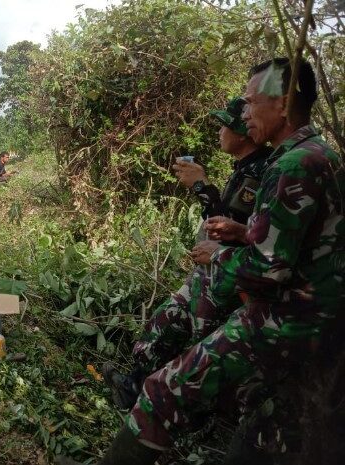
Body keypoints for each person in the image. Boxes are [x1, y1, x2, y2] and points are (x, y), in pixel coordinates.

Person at [58, 58, 345, 465]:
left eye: (249, 103)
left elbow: (269, 269)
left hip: (287, 320)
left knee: (162, 392)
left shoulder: (292, 164)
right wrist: (244, 233)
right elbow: (310, 241)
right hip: (321, 325)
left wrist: (219, 254)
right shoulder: (323, 154)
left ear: (282, 105)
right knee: (269, 432)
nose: (243, 114)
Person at [102, 97, 273, 409]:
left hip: (228, 282)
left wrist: (202, 187)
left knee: (200, 351)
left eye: (225, 125)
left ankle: (179, 412)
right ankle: (133, 389)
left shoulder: (260, 172)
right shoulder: (245, 167)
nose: (219, 131)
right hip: (210, 275)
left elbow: (227, 231)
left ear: (243, 133)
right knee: (163, 323)